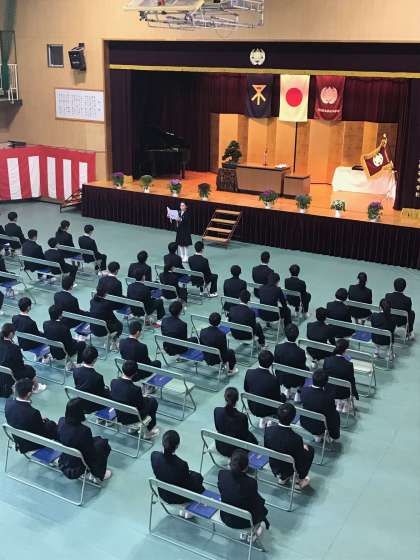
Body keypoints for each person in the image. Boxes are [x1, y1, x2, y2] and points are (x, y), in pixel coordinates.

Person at [218, 449, 269, 540]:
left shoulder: (221, 474)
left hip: (226, 516)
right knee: (259, 504)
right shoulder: (251, 483)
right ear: (246, 467)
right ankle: (253, 530)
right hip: (244, 521)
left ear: (230, 462)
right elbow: (254, 502)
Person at [57, 398, 112, 482]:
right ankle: (98, 474)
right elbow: (90, 452)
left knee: (98, 440)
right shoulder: (84, 430)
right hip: (80, 460)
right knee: (103, 444)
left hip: (66, 456)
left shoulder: (61, 421)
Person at [151, 430, 205, 510]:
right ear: (177, 446)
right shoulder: (182, 464)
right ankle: (189, 509)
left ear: (162, 442)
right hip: (177, 497)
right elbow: (188, 483)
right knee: (198, 478)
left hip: (162, 493)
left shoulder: (154, 456)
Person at [264, 403, 313, 488]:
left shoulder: (268, 430)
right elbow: (299, 459)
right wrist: (302, 448)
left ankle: (282, 478)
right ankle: (300, 479)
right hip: (290, 468)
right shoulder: (296, 439)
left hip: (275, 465)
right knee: (310, 450)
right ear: (293, 418)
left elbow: (267, 447)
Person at [110, 360, 159, 439]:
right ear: (135, 373)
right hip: (133, 417)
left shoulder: (113, 382)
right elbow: (141, 406)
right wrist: (144, 398)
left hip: (119, 414)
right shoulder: (135, 389)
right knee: (153, 401)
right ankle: (149, 431)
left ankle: (132, 429)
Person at [5, 378, 56, 453]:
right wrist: (50, 423)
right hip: (32, 443)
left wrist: (38, 419)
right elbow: (42, 432)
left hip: (18, 438)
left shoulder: (8, 402)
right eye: (32, 389)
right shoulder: (33, 413)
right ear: (29, 394)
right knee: (52, 424)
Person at [244, 350, 286, 428]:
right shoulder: (274, 380)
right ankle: (268, 419)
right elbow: (277, 399)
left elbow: (246, 389)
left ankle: (264, 419)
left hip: (252, 406)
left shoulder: (249, 372)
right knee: (283, 397)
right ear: (271, 363)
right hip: (267, 409)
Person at [0, 323, 45, 392]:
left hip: (2, 371)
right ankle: (36, 388)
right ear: (11, 334)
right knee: (30, 369)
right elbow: (20, 366)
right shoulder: (14, 348)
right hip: (11, 374)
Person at [214, 387, 258, 457]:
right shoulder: (242, 417)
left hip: (221, 447)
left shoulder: (217, 411)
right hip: (237, 450)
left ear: (225, 397)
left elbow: (217, 428)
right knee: (253, 440)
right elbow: (245, 435)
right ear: (237, 399)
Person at [300, 369, 340, 442]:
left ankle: (317, 435)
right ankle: (331, 435)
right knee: (335, 414)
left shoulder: (303, 391)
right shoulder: (328, 398)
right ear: (326, 383)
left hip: (305, 422)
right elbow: (331, 415)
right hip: (321, 426)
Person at [274, 323, 308, 402]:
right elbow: (302, 368)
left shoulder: (278, 348)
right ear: (297, 335)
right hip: (296, 380)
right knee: (306, 369)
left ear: (285, 334)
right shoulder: (300, 352)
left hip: (281, 378)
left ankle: (287, 388)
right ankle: (298, 393)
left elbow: (276, 364)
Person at [323, 338, 359, 412]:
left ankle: (339, 404)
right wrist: (355, 394)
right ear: (346, 350)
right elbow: (351, 381)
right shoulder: (348, 365)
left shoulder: (327, 360)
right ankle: (345, 405)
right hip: (343, 393)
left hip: (329, 390)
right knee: (347, 385)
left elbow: (324, 376)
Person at [73, 346, 111, 413]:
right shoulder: (98, 377)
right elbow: (101, 394)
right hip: (92, 405)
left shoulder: (75, 371)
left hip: (80, 401)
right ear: (95, 360)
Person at [199, 312, 237, 376]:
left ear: (209, 321)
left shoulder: (202, 331)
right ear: (219, 322)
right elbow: (224, 351)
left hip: (206, 356)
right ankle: (230, 370)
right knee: (231, 352)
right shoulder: (221, 334)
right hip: (216, 359)